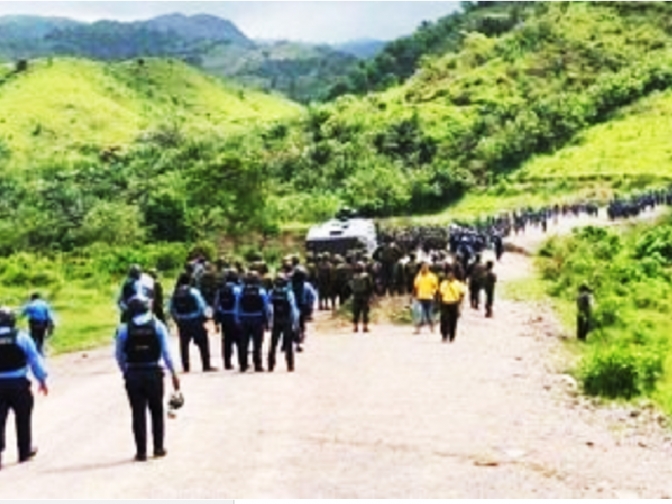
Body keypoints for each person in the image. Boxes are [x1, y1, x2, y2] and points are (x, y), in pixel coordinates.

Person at [115, 296, 180, 461]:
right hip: (154, 372)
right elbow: (166, 353)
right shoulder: (158, 326)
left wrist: (126, 370)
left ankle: (141, 451)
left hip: (134, 373)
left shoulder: (123, 329)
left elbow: (119, 355)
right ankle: (158, 448)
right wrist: (173, 372)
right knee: (157, 411)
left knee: (138, 412)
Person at [0, 306, 48, 470]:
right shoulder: (22, 337)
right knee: (23, 418)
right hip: (19, 384)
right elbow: (34, 360)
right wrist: (42, 380)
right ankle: (24, 451)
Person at [169, 273, 216, 373]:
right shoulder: (194, 292)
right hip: (195, 320)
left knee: (184, 345)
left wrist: (177, 320)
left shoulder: (175, 293)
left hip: (182, 322)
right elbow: (202, 306)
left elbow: (171, 309)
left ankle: (186, 366)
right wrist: (207, 318)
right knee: (203, 343)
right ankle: (206, 365)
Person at [238, 272, 270, 373]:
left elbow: (238, 307)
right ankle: (258, 364)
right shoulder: (261, 292)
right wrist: (267, 321)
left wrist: (238, 319)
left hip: (244, 319)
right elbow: (266, 307)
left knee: (244, 343)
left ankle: (243, 365)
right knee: (257, 344)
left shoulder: (241, 291)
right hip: (258, 319)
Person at [268, 275, 299, 372]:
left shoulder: (271, 293)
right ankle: (290, 365)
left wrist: (270, 322)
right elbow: (293, 309)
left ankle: (271, 365)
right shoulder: (289, 293)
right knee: (289, 344)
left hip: (276, 321)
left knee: (273, 344)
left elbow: (269, 309)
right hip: (287, 320)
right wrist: (295, 323)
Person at [214, 269, 241, 370]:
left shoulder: (221, 290)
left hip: (225, 318)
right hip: (236, 317)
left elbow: (216, 305)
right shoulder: (238, 289)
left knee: (227, 341)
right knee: (240, 341)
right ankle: (242, 361)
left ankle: (227, 363)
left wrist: (216, 320)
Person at [438, 268, 466, 343]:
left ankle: (452, 336)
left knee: (453, 321)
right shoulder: (443, 283)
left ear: (454, 276)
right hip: (445, 303)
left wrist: (460, 304)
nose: (449, 276)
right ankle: (444, 335)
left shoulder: (458, 284)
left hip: (454, 303)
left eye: (451, 275)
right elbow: (440, 294)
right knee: (444, 320)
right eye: (448, 275)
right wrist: (440, 303)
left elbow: (462, 294)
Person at [413, 262, 439, 334]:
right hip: (420, 297)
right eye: (423, 267)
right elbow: (415, 287)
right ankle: (417, 329)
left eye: (426, 267)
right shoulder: (418, 276)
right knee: (419, 313)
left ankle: (432, 328)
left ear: (428, 268)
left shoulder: (432, 277)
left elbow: (435, 287)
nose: (424, 268)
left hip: (429, 298)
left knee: (430, 314)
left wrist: (433, 294)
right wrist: (414, 296)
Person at [349, 261, 374, 333]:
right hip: (365, 296)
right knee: (365, 312)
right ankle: (365, 327)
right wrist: (371, 296)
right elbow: (370, 286)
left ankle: (355, 327)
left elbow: (351, 286)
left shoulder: (354, 276)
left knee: (356, 312)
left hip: (356, 295)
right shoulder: (366, 276)